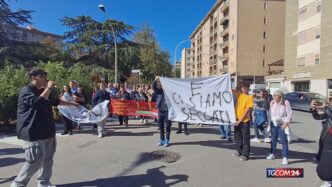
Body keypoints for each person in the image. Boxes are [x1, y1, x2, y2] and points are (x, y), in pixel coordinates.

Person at [11, 68, 79, 187]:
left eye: (46, 75)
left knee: (48, 159)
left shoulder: (44, 90)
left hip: (47, 131)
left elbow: (56, 101)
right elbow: (38, 103)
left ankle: (44, 183)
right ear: (33, 77)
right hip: (33, 131)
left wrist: (72, 104)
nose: (45, 77)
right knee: (35, 161)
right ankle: (18, 184)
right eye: (42, 75)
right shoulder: (26, 91)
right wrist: (48, 88)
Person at [266, 90, 292, 165]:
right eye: (274, 95)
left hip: (281, 124)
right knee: (273, 140)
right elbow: (269, 113)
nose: (274, 97)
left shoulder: (285, 103)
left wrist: (286, 123)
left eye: (276, 95)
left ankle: (285, 157)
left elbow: (289, 113)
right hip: (273, 124)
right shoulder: (272, 102)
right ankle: (272, 154)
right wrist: (268, 123)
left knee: (284, 141)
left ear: (280, 96)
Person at [310, 100, 332, 187]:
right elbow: (318, 117)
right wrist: (313, 109)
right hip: (327, 136)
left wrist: (325, 107)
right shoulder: (329, 109)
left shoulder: (328, 109)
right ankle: (329, 180)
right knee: (325, 162)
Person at [232, 81, 254, 161]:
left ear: (248, 88)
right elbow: (232, 91)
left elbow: (247, 111)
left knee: (245, 138)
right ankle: (239, 151)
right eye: (242, 87)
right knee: (237, 137)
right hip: (237, 120)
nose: (244, 89)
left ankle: (245, 155)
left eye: (245, 87)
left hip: (244, 121)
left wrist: (240, 121)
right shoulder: (239, 95)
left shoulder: (250, 97)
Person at [153, 76, 172, 147]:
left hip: (168, 111)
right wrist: (155, 80)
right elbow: (154, 87)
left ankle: (167, 140)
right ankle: (162, 140)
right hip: (160, 111)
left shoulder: (171, 92)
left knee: (168, 126)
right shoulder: (160, 91)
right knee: (160, 127)